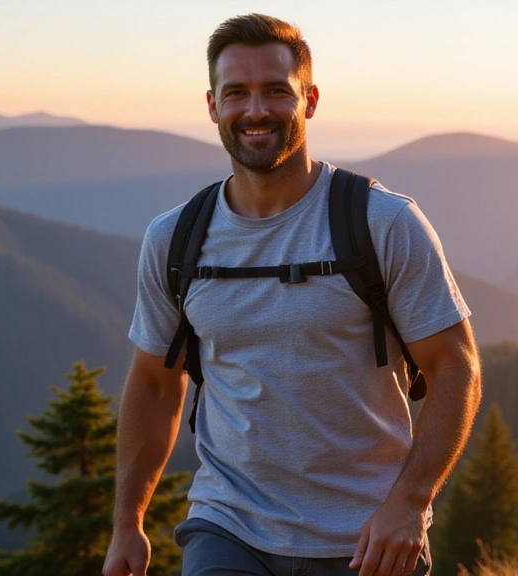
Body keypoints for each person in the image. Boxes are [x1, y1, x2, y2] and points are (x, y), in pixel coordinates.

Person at [104, 13, 481, 576]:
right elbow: (156, 385)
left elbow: (455, 367)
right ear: (212, 106)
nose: (255, 110)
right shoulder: (174, 240)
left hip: (367, 539)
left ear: (310, 100)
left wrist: (409, 503)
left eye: (276, 91)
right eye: (236, 93)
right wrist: (127, 523)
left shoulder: (383, 223)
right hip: (227, 526)